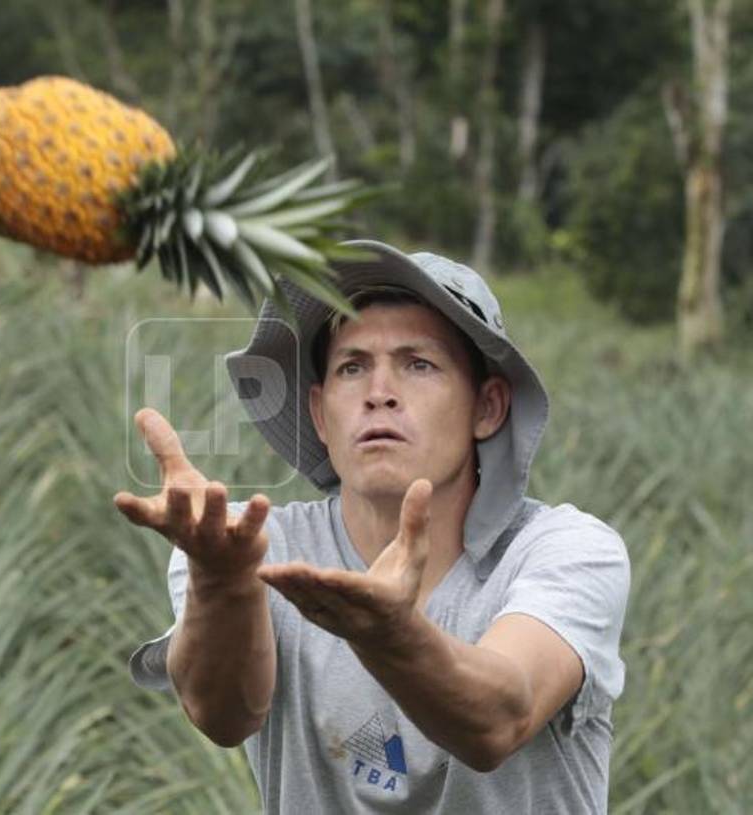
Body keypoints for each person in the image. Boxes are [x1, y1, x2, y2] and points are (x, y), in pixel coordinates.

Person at [114, 240, 631, 813]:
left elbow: (499, 719)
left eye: (419, 364)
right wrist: (223, 583)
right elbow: (224, 715)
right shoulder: (250, 546)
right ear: (319, 413)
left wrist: (389, 634)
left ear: (487, 407)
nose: (379, 394)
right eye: (352, 367)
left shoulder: (563, 551)